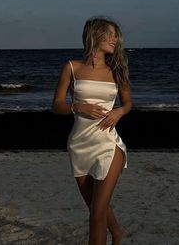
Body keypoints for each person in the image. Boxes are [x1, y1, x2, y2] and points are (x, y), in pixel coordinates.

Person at [52, 16, 133, 245]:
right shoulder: (71, 67)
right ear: (94, 35)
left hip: (108, 143)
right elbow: (56, 105)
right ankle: (117, 231)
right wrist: (77, 106)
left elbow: (128, 103)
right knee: (96, 206)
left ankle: (114, 233)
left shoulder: (117, 70)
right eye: (110, 34)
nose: (114, 39)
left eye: (116, 35)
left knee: (96, 213)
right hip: (79, 144)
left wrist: (119, 112)